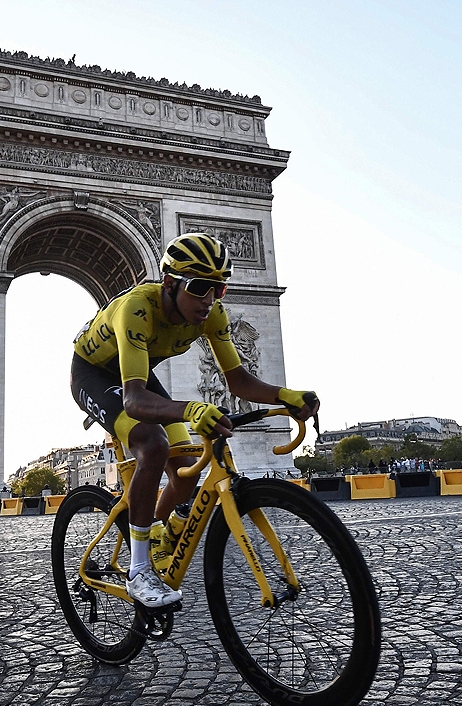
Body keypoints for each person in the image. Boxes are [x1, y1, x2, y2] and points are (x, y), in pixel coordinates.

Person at [70, 233, 319, 608]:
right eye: (200, 287)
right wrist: (192, 409)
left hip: (136, 372)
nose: (209, 300)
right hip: (93, 373)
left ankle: (157, 531)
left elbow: (238, 380)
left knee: (185, 471)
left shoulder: (212, 314)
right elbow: (136, 400)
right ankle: (139, 571)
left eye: (218, 289)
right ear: (170, 284)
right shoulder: (136, 308)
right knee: (153, 445)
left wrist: (285, 395)